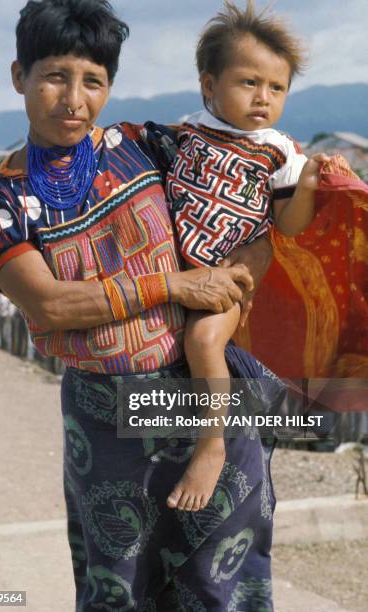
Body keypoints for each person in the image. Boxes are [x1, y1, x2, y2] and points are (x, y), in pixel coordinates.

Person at [0, 1, 282, 609]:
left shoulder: (149, 147)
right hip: (105, 419)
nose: (73, 99)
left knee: (222, 586)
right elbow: (50, 306)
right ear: (17, 75)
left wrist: (236, 282)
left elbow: (252, 203)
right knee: (119, 586)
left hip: (200, 396)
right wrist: (177, 287)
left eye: (93, 81)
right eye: (54, 75)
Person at [164, 0, 331, 512]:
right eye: (248, 83)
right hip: (177, 269)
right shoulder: (182, 133)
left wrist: (305, 184)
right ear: (209, 85)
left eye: (276, 88)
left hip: (234, 277)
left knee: (203, 337)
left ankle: (211, 444)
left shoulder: (278, 150)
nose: (263, 97)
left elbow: (288, 225)